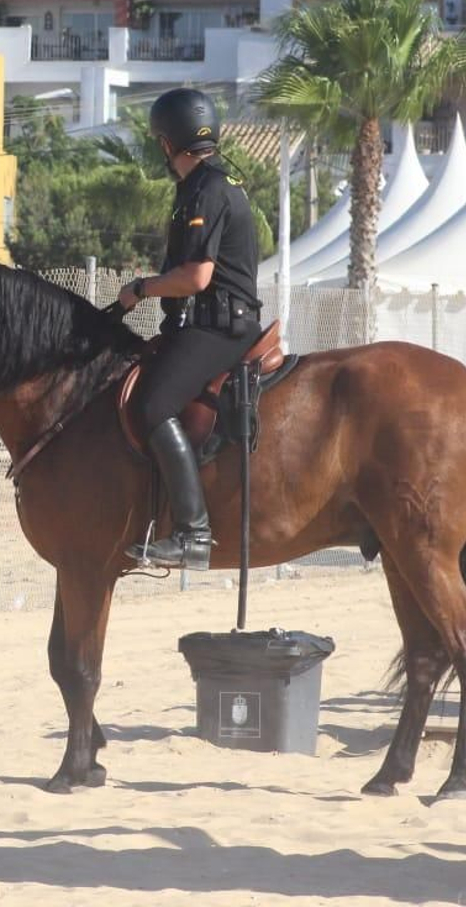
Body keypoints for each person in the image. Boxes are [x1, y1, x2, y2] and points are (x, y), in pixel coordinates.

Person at [117, 88, 262, 570]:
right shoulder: (202, 187)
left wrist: (142, 288)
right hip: (206, 324)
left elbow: (196, 277)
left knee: (155, 403)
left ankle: (193, 534)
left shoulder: (207, 189)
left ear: (165, 143)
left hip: (221, 328)